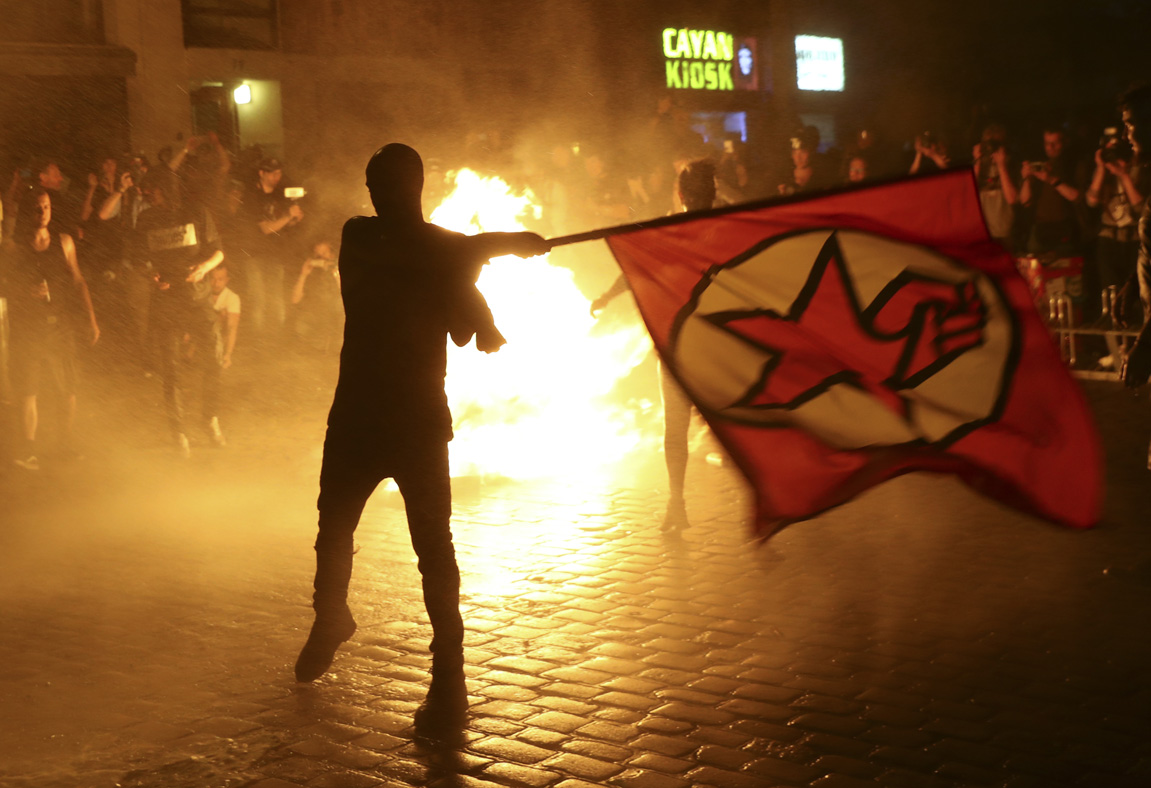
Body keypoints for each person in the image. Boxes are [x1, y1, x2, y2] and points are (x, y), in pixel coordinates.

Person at [295, 144, 549, 691]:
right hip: (365, 416)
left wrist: (485, 318)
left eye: (382, 184)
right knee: (335, 527)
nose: (374, 195)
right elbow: (442, 258)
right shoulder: (362, 237)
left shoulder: (439, 255)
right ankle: (331, 615)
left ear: (409, 187)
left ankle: (448, 651)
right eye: (372, 185)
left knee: (432, 543)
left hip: (409, 419)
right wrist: (510, 243)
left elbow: (458, 299)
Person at [590, 159, 717, 530]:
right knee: (731, 426)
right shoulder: (725, 230)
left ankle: (676, 501)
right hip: (717, 341)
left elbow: (635, 270)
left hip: (679, 340)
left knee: (675, 430)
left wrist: (606, 296)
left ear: (680, 194)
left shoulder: (667, 232)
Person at [6, 187, 100, 469]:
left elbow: (78, 281)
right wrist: (26, 291)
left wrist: (92, 318)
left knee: (67, 387)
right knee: (29, 389)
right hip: (29, 328)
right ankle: (29, 450)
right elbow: (5, 284)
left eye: (46, 206)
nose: (42, 212)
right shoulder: (15, 246)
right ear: (30, 210)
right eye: (37, 207)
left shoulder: (64, 242)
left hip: (59, 325)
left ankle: (65, 444)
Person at [133, 172, 224, 457]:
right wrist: (152, 275)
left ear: (169, 190)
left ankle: (210, 417)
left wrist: (203, 268)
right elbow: (138, 260)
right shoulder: (147, 218)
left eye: (156, 190)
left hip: (197, 299)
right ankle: (179, 432)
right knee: (171, 369)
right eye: (150, 191)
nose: (151, 195)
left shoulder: (196, 212)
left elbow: (219, 253)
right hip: (167, 302)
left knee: (215, 359)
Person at [240, 157, 302, 341]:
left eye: (279, 173)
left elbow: (284, 224)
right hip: (254, 254)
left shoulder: (280, 194)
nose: (277, 177)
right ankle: (258, 341)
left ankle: (277, 341)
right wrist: (288, 216)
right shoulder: (251, 196)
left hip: (275, 254)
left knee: (276, 298)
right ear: (262, 173)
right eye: (273, 173)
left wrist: (295, 218)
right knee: (258, 299)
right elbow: (265, 228)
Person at [1020, 126, 1087, 256]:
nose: (1050, 147)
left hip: (1066, 230)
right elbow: (1025, 202)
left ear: (1065, 142)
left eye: (1055, 143)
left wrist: (1051, 179)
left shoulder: (1074, 165)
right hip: (1039, 230)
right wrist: (1026, 179)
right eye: (1047, 143)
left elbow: (1077, 197)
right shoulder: (1040, 165)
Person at [972, 123, 1019, 250]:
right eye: (988, 143)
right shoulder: (979, 166)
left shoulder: (1011, 165)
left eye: (996, 144)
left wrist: (1001, 165)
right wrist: (977, 161)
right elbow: (969, 195)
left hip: (1005, 233)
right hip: (982, 233)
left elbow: (1012, 199)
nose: (991, 148)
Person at [290, 240, 342, 352]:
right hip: (317, 311)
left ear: (332, 254)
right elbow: (295, 299)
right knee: (303, 323)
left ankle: (337, 345)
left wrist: (337, 275)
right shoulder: (313, 273)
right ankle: (315, 345)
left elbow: (347, 296)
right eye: (318, 254)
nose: (321, 257)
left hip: (335, 310)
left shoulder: (340, 266)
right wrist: (303, 275)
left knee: (341, 307)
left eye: (324, 253)